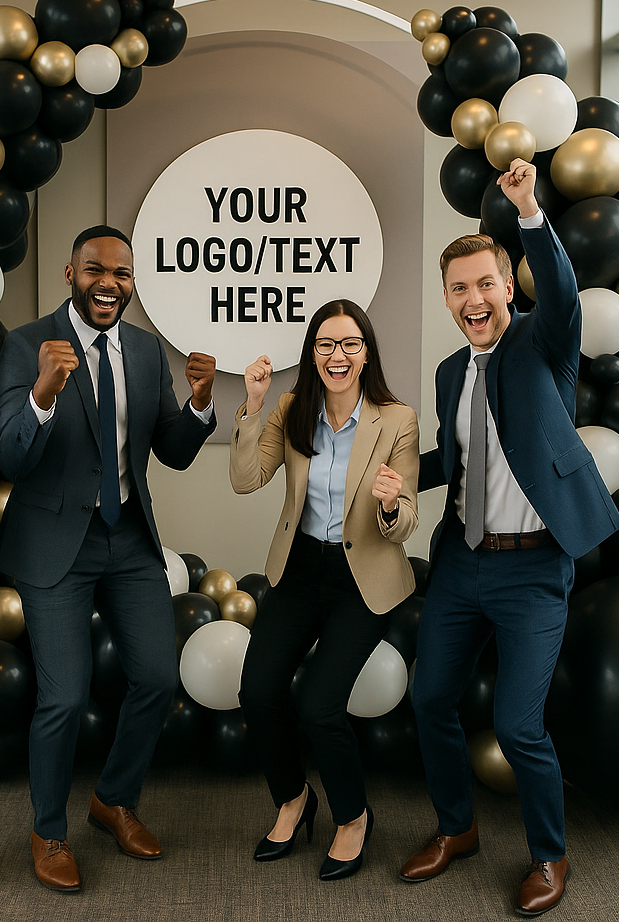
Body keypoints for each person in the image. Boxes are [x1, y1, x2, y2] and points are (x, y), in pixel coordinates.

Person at [400, 159, 619, 916]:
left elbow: (561, 292)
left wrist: (528, 210)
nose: (474, 300)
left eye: (486, 285)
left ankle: (549, 855)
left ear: (507, 287)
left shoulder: (543, 342)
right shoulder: (446, 372)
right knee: (430, 699)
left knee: (519, 724)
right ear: (447, 299)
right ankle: (455, 828)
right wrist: (392, 471)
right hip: (461, 563)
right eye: (459, 289)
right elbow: (451, 458)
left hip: (533, 572)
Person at [0, 225, 216, 893]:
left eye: (121, 273)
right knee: (64, 698)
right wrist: (42, 394)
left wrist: (201, 405)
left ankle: (113, 800)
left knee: (156, 679)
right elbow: (10, 455)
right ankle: (48, 830)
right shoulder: (28, 344)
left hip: (128, 542)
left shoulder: (145, 351)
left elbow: (170, 451)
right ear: (71, 272)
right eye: (95, 270)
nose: (108, 283)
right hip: (56, 545)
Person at [231, 298, 419, 881]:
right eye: (326, 345)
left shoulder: (397, 419)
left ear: (366, 354)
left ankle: (352, 816)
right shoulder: (292, 409)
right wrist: (253, 406)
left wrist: (391, 502)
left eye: (350, 345)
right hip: (298, 569)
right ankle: (293, 799)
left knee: (318, 706)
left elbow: (406, 519)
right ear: (312, 355)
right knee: (258, 693)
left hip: (362, 580)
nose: (338, 356)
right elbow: (245, 480)